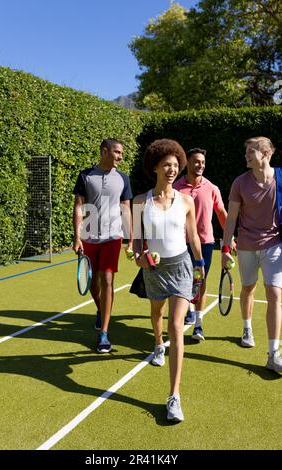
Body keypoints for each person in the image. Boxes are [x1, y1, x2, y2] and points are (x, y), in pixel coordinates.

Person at [132, 139, 204, 422]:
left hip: (182, 267)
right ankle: (157, 345)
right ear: (155, 167)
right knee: (156, 314)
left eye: (176, 165)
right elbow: (137, 242)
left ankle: (174, 396)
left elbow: (194, 236)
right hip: (154, 270)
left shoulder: (187, 200)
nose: (173, 170)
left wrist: (199, 265)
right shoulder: (140, 201)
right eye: (167, 165)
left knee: (177, 326)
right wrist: (139, 256)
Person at [222, 136, 282, 373]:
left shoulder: (280, 178)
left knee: (275, 293)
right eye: (246, 152)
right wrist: (226, 249)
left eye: (250, 152)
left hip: (275, 245)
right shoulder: (240, 182)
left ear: (266, 153)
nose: (246, 156)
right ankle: (247, 327)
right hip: (246, 245)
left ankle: (273, 353)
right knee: (248, 288)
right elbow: (231, 218)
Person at [73, 139, 133, 353]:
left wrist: (130, 238)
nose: (120, 156)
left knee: (107, 278)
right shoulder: (85, 175)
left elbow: (126, 208)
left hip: (112, 237)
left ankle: (104, 333)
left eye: (121, 153)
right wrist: (77, 236)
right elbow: (79, 207)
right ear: (104, 151)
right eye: (117, 152)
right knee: (92, 282)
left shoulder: (123, 178)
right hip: (88, 237)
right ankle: (101, 309)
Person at [174, 148, 234, 341]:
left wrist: (230, 237)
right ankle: (189, 309)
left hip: (206, 243)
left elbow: (222, 213)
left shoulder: (212, 188)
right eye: (196, 162)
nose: (200, 165)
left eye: (203, 162)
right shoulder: (175, 187)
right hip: (180, 244)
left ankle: (198, 325)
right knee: (183, 282)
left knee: (200, 281)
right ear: (188, 164)